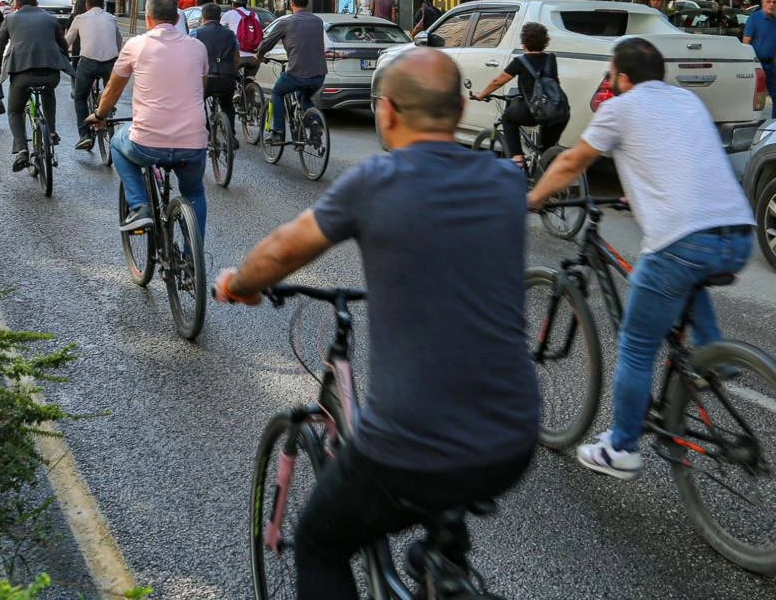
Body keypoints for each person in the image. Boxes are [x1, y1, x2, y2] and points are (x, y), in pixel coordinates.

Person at [212, 48, 539, 598]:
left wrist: (237, 285)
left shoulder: (378, 181)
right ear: (460, 108)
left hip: (410, 446)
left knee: (318, 543)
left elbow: (284, 249)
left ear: (385, 112)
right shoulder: (505, 181)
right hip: (513, 436)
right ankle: (443, 563)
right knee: (433, 519)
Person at [528, 36, 754, 480]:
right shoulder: (687, 101)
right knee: (686, 277)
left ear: (622, 77)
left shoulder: (620, 107)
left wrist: (535, 196)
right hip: (738, 233)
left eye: (612, 74)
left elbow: (573, 161)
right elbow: (683, 159)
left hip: (684, 240)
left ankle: (621, 448)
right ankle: (712, 359)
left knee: (635, 346)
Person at [86, 0, 209, 236]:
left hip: (147, 143)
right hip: (193, 144)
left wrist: (100, 115)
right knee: (194, 192)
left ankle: (140, 205)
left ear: (149, 18)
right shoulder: (198, 47)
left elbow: (112, 89)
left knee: (118, 145)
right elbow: (200, 88)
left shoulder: (135, 45)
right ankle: (191, 260)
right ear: (176, 19)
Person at [0, 0, 72, 171]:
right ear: (37, 4)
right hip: (51, 73)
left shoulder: (10, 19)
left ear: (16, 5)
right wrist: (67, 59)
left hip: (22, 75)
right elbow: (63, 44)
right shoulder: (50, 19)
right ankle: (52, 131)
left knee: (15, 111)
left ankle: (22, 150)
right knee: (48, 92)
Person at [469, 22, 567, 167]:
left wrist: (482, 94)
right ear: (545, 42)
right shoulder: (551, 59)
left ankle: (518, 158)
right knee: (545, 152)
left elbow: (498, 81)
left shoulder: (520, 62)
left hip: (534, 111)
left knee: (507, 118)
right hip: (559, 111)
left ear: (524, 43)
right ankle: (547, 175)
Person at [256, 0, 326, 146]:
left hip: (297, 73)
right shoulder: (317, 21)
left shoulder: (286, 22)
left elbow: (267, 42)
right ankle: (314, 123)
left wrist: (259, 54)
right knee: (304, 97)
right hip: (319, 75)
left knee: (277, 92)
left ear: (291, 3)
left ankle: (278, 132)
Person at [66, 0, 122, 149]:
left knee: (80, 96)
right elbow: (118, 42)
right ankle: (104, 103)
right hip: (110, 63)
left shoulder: (80, 18)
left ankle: (84, 135)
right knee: (110, 90)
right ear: (103, 4)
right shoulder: (111, 18)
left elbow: (67, 41)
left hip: (88, 63)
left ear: (86, 5)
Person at [194, 2, 240, 144]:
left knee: (197, 103)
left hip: (206, 78)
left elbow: (190, 54)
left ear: (203, 17)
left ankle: (206, 132)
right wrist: (234, 70)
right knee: (227, 105)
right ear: (219, 17)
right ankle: (230, 135)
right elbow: (236, 55)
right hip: (227, 77)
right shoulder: (230, 34)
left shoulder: (196, 33)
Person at [741, 0, 776, 119]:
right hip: (756, 65)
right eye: (768, 2)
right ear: (762, 3)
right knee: (754, 98)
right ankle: (749, 123)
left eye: (774, 2)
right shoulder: (754, 19)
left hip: (770, 65)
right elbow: (746, 42)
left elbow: (775, 42)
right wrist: (749, 64)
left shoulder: (775, 21)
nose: (771, 4)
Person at [222, 0, 265, 75]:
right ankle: (251, 85)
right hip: (254, 56)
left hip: (238, 55)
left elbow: (219, 30)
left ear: (232, 3)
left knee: (231, 78)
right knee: (249, 79)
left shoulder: (229, 14)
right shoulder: (254, 14)